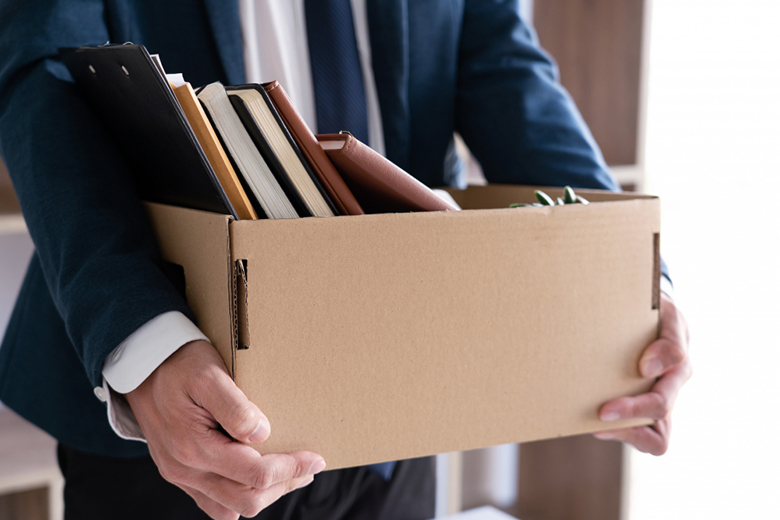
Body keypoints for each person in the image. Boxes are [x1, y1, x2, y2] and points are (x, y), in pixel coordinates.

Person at [0, 1, 692, 519]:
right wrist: (144, 344)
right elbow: (44, 73)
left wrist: (626, 277)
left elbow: (506, 68)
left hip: (405, 397)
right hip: (174, 410)